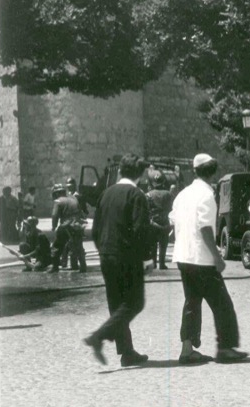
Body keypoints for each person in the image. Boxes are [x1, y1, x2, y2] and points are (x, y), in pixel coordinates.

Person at [170, 153, 248, 365]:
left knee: (192, 302)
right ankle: (225, 347)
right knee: (222, 304)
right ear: (213, 172)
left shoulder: (182, 195)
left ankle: (187, 349)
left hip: (184, 257)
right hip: (202, 259)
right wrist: (217, 257)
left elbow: (172, 220)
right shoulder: (207, 195)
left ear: (194, 171)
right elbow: (205, 228)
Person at [84, 154, 153, 367]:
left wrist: (103, 250)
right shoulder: (136, 195)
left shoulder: (105, 194)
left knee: (116, 303)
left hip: (106, 255)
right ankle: (99, 336)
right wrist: (147, 258)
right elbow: (141, 229)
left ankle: (127, 351)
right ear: (140, 175)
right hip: (127, 256)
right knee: (134, 302)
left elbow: (95, 228)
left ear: (121, 171)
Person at [46, 183, 86, 273]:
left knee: (57, 246)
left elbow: (54, 215)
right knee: (78, 246)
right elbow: (80, 212)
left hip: (66, 225)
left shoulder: (58, 201)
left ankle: (55, 267)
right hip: (78, 225)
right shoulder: (74, 198)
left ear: (56, 193)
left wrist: (54, 226)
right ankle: (83, 266)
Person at [146, 172, 173, 270]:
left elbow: (147, 209)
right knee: (163, 244)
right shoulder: (168, 194)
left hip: (153, 223)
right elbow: (171, 208)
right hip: (165, 222)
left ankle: (153, 263)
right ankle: (162, 263)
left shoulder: (148, 194)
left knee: (153, 244)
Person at [64, 177, 89, 271]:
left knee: (78, 244)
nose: (69, 188)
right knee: (71, 244)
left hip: (77, 224)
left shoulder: (78, 196)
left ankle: (83, 266)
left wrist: (80, 220)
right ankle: (74, 265)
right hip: (69, 223)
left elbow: (85, 211)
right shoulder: (68, 196)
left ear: (74, 185)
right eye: (68, 186)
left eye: (70, 186)